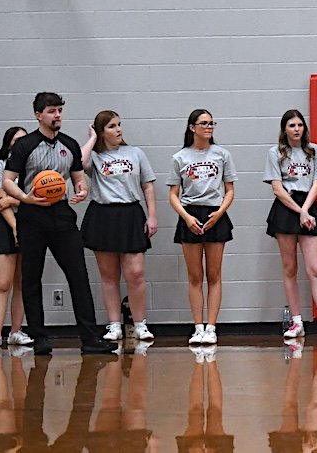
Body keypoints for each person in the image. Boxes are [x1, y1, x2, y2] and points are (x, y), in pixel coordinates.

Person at [2, 92, 116, 355]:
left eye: (60, 111)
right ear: (38, 115)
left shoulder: (70, 144)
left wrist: (81, 189)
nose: (57, 116)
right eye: (52, 111)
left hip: (62, 214)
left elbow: (78, 177)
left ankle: (90, 339)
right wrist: (24, 198)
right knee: (31, 278)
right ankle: (39, 337)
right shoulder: (24, 145)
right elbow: (7, 180)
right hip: (32, 216)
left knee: (78, 274)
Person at [79, 110, 158, 343]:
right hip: (103, 214)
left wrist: (152, 216)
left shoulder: (135, 153)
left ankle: (139, 323)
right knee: (109, 275)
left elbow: (148, 186)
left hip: (130, 213)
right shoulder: (94, 156)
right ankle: (114, 324)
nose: (119, 129)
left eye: (119, 125)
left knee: (136, 273)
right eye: (112, 126)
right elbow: (79, 162)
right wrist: (92, 138)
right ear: (102, 131)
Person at [266, 109, 317, 341]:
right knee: (290, 268)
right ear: (284, 129)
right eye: (292, 125)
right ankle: (296, 322)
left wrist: (306, 210)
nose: (297, 129)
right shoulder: (275, 153)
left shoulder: (314, 151)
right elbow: (277, 188)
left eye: (300, 125)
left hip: (308, 205)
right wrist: (299, 212)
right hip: (287, 208)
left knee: (315, 269)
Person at [168, 109, 236, 347]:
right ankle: (197, 327)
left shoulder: (222, 155)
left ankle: (211, 327)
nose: (209, 127)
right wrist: (186, 217)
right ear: (192, 127)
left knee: (214, 275)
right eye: (204, 123)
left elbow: (229, 190)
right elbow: (173, 195)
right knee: (195, 276)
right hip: (190, 214)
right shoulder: (180, 157)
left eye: (211, 123)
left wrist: (220, 213)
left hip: (215, 213)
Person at [0, 127, 33, 349]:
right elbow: (0, 200)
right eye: (16, 140)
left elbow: (40, 198)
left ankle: (16, 331)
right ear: (8, 143)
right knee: (3, 283)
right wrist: (16, 226)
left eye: (24, 140)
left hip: (30, 224)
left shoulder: (33, 168)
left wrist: (15, 200)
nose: (20, 143)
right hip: (5, 226)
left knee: (22, 283)